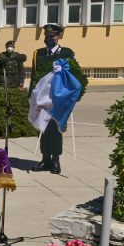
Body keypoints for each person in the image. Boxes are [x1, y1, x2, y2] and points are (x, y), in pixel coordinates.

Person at [30, 24, 82, 174]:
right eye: (46, 36)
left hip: (57, 100)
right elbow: (34, 76)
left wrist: (70, 98)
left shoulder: (66, 53)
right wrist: (31, 96)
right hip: (41, 99)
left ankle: (55, 160)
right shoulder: (38, 54)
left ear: (59, 36)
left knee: (55, 130)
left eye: (52, 36)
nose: (48, 38)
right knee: (42, 129)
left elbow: (73, 75)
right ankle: (45, 159)